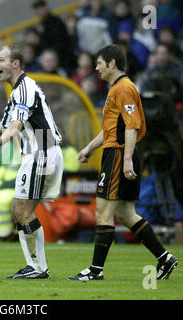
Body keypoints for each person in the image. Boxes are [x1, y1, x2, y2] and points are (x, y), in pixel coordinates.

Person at [68, 44, 178, 281]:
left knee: (103, 212)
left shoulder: (124, 88)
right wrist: (89, 147)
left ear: (112, 63)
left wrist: (127, 159)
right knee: (127, 215)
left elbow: (132, 124)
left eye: (99, 63)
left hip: (119, 155)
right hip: (117, 152)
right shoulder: (116, 88)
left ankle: (95, 270)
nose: (96, 68)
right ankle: (165, 258)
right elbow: (111, 128)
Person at [0, 45, 63, 279]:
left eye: (0, 60)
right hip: (36, 153)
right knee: (20, 212)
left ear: (15, 63)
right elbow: (7, 123)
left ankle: (38, 268)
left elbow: (15, 127)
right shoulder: (17, 90)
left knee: (21, 210)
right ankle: (34, 266)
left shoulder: (24, 88)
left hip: (41, 152)